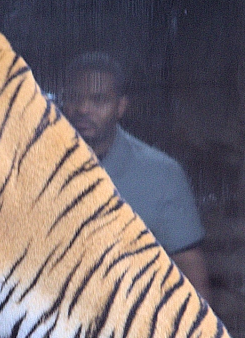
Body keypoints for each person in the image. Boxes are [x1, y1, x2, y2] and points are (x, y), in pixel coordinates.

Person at [62, 52, 211, 298]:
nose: (82, 109)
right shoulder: (33, 165)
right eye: (74, 98)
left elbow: (193, 277)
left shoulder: (162, 175)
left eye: (98, 100)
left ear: (121, 107)